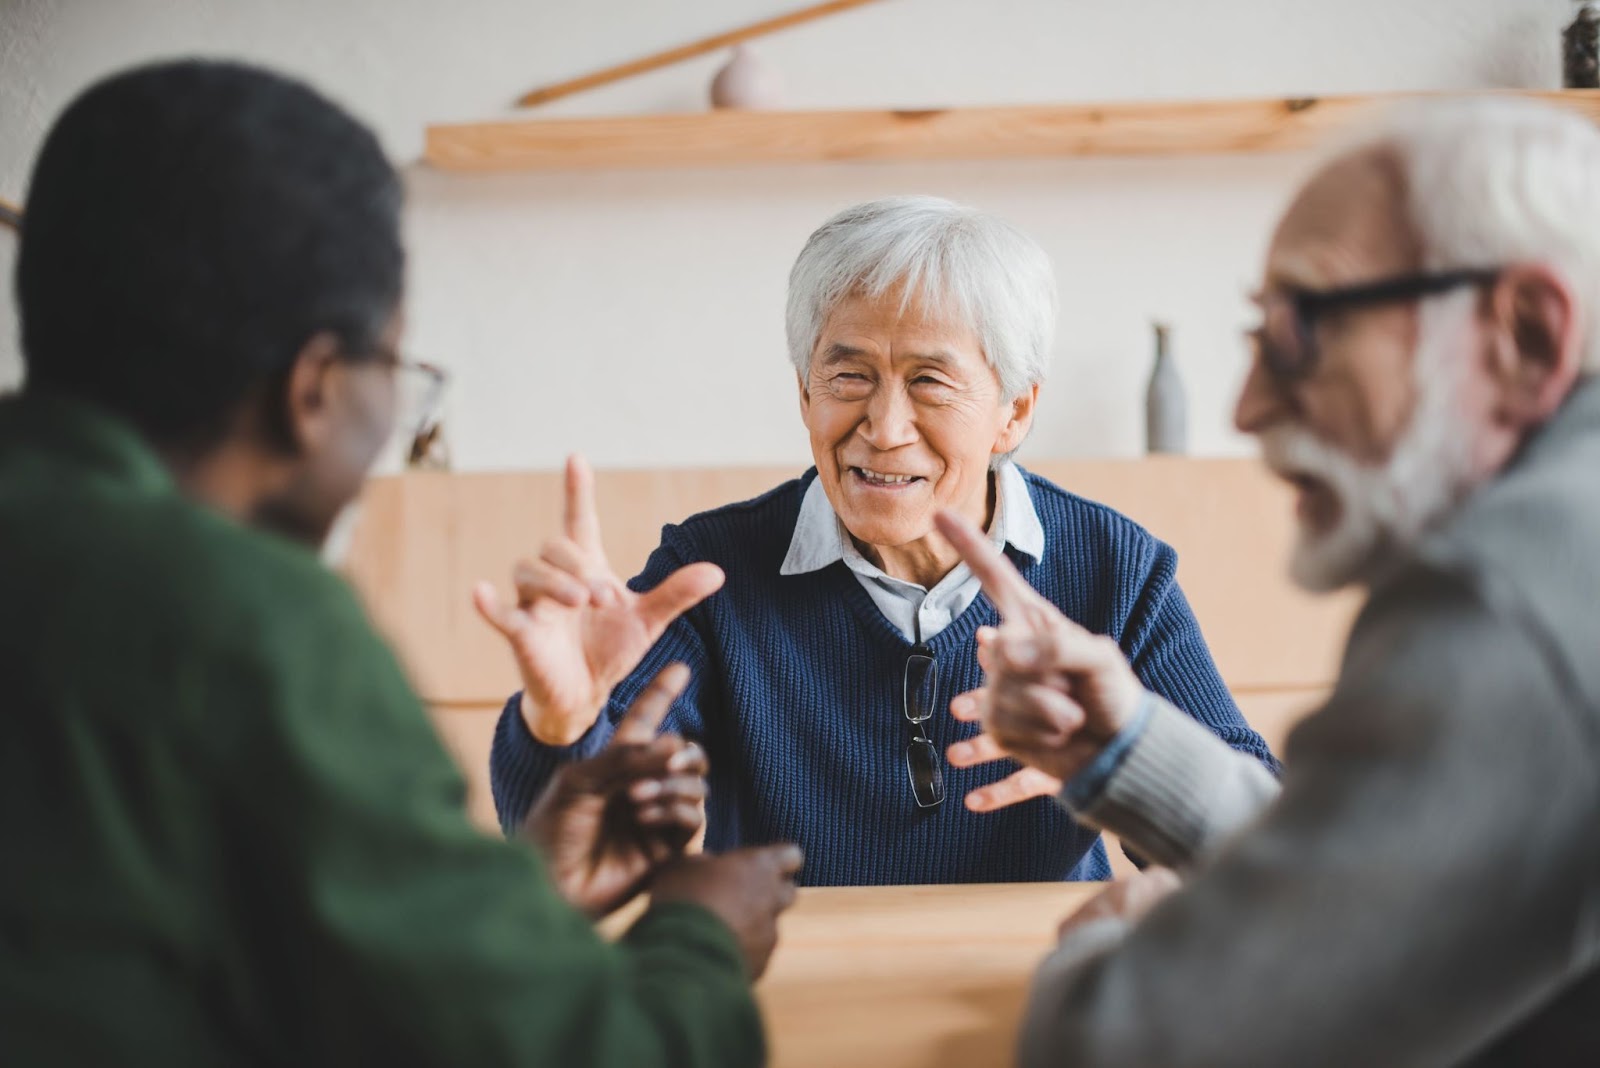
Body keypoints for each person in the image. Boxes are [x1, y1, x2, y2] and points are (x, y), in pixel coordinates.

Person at [0, 59, 801, 1065]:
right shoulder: (252, 622)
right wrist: (699, 937)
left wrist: (526, 898)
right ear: (315, 387)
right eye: (399, 371)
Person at [937, 96, 1600, 1065]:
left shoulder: (1500, 599)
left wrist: (1113, 935)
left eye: (1301, 327)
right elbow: (1394, 878)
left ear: (1527, 335)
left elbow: (1126, 1045)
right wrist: (1127, 748)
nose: (1244, 407)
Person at [479, 196, 1276, 886]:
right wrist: (561, 723)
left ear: (1016, 411)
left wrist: (1127, 756)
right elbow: (562, 859)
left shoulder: (1115, 568)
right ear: (804, 392)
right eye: (848, 375)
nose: (883, 428)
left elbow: (1266, 861)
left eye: (929, 380)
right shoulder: (710, 574)